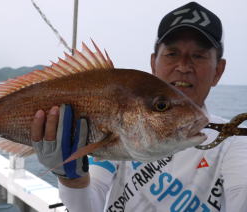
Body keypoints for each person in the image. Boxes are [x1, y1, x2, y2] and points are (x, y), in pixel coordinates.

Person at [31, 2, 247, 211]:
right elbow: (88, 206)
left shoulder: (234, 142)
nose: (183, 67)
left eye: (198, 56)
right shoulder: (125, 121)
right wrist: (73, 180)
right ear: (153, 63)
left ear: (218, 70)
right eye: (172, 54)